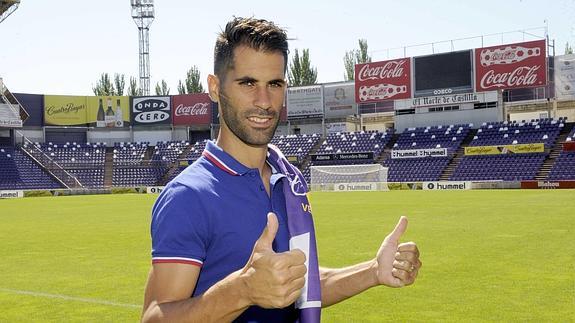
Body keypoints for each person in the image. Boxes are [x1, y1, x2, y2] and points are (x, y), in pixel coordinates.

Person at [141, 17, 421, 323]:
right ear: (215, 87)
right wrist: (243, 290)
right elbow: (155, 317)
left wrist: (371, 272)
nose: (264, 101)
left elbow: (296, 283)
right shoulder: (189, 196)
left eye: (274, 84)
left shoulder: (288, 180)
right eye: (248, 83)